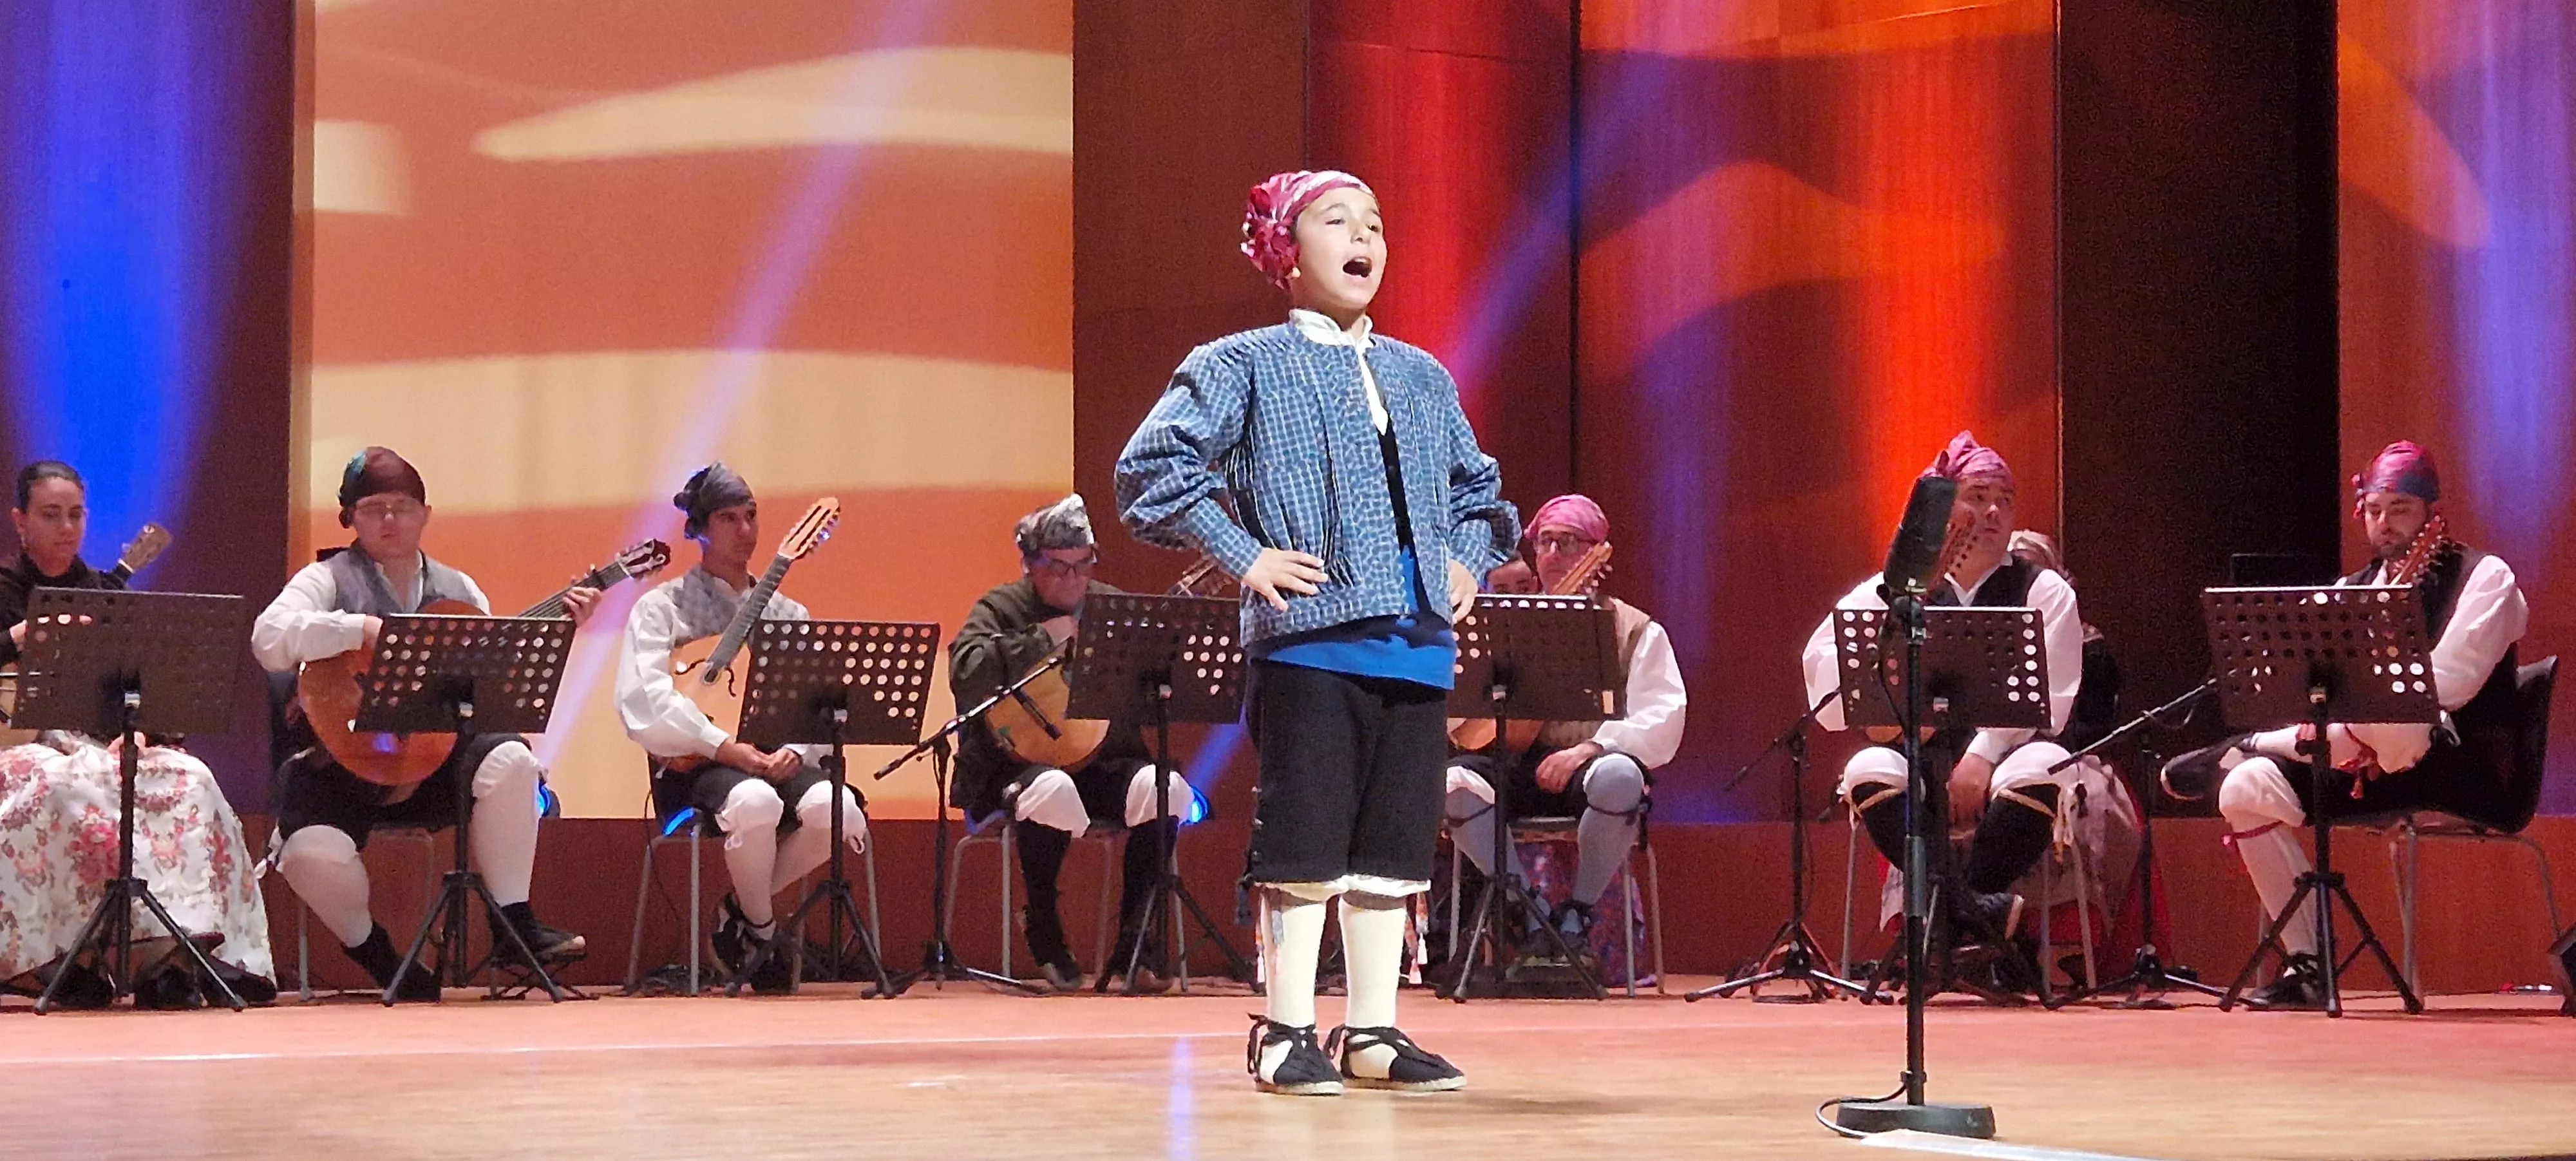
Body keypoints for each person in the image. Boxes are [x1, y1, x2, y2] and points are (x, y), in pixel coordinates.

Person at [1119, 169, 1517, 1095]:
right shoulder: (1239, 361)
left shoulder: (1422, 374)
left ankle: (1373, 1030)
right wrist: (1243, 552)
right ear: (1283, 250)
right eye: (1337, 220)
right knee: (1306, 838)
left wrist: (1466, 558)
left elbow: (1481, 497)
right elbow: (1150, 470)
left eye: (1375, 222)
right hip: (1310, 641)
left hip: (1418, 644)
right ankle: (1285, 1027)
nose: (1363, 236)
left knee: (1391, 844)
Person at [2164, 441, 2533, 1009]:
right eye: (2375, 509)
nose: (2385, 524)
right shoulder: (2348, 592)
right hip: (2361, 764)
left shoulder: (2484, 577)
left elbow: (2446, 685)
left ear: (2434, 515)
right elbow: (2301, 690)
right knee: (2244, 788)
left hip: (2454, 766)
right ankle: (2310, 963)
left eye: (2401, 509)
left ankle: (2243, 745)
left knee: (2400, 711)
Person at [254, 447, 592, 1000]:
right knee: (309, 855)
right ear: (351, 518)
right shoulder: (325, 579)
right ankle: (379, 955)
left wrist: (561, 630)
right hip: (344, 772)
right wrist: (358, 628)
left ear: (425, 515)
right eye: (374, 508)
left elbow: (493, 685)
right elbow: (268, 639)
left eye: (404, 507)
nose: (390, 520)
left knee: (512, 758)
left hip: (433, 769)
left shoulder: (460, 589)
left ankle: (514, 924)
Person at [0, 461, 276, 1008]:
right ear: (20, 521)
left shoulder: (103, 594)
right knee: (64, 785)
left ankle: (175, 955)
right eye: (51, 515)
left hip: (103, 743)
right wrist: (18, 635)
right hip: (22, 742)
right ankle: (56, 960)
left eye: (76, 514)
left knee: (190, 777)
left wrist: (142, 732)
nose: (66, 527)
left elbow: (139, 684)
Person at [1800, 433, 2084, 954]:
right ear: (1943, 509)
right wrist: (1893, 712)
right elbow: (1825, 669)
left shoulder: (2043, 590)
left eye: (2005, 499)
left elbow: (2055, 696)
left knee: (2047, 765)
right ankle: (1970, 913)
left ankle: (1940, 922)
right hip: (1920, 754)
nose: (1994, 511)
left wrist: (1981, 756)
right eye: (1978, 496)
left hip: (2008, 754)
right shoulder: (1891, 591)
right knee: (1866, 767)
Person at [616, 464, 870, 994]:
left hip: (775, 758)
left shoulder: (788, 612)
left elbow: (812, 700)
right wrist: (726, 747)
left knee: (842, 811)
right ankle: (763, 931)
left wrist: (797, 750)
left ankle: (739, 912)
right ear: (700, 530)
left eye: (752, 516)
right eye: (729, 518)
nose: (746, 530)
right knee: (755, 802)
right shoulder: (662, 608)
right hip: (696, 766)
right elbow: (648, 699)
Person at [948, 494, 1185, 992]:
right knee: (1053, 790)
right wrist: (1042, 638)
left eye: (1083, 565)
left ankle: (1134, 944)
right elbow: (964, 671)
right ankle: (1043, 925)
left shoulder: (1109, 604)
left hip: (1101, 762)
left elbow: (1147, 692)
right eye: (1058, 567)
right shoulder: (1001, 606)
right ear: (1031, 564)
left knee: (1166, 788)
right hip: (1014, 768)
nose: (1074, 578)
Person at [1442, 494, 1685, 945]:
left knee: (1620, 775)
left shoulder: (1632, 628)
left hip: (1586, 773)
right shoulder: (1501, 621)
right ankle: (1527, 908)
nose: (1553, 555)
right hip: (1514, 769)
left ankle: (1578, 913)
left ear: (1595, 553)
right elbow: (1460, 710)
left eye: (1569, 543)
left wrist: (1590, 748)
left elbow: (1663, 715)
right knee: (1451, 784)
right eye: (1546, 543)